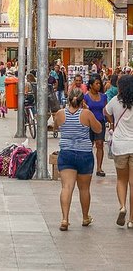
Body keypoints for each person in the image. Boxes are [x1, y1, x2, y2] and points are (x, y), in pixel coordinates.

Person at [54, 88, 101, 231]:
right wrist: (87, 110)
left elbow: (56, 127)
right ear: (82, 101)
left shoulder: (60, 114)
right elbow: (98, 129)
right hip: (84, 154)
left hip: (66, 153)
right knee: (84, 188)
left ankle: (64, 219)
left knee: (66, 187)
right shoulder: (86, 114)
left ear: (68, 99)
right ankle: (85, 217)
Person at [105, 75, 133, 228]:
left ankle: (122, 207)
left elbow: (105, 110)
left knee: (121, 180)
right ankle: (131, 220)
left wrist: (112, 122)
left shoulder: (115, 100)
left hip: (120, 145)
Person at [84, 76, 107, 177]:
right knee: (89, 145)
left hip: (100, 122)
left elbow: (106, 110)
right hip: (88, 124)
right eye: (96, 83)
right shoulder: (85, 97)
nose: (99, 85)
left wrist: (111, 123)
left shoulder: (103, 96)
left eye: (99, 83)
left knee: (100, 143)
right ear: (91, 85)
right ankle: (88, 167)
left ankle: (99, 168)